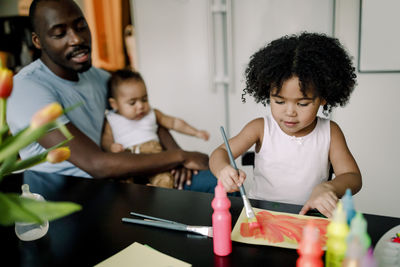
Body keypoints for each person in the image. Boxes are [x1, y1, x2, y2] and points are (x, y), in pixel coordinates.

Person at [7, 0, 217, 192]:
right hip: (64, 198)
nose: (77, 38)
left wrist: (176, 157)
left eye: (81, 26)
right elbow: (96, 164)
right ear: (38, 41)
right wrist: (180, 157)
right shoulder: (27, 89)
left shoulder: (99, 77)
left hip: (112, 182)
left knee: (219, 184)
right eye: (60, 33)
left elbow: (143, 115)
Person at [209, 32, 362, 218]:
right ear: (268, 94)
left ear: (323, 98)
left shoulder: (330, 132)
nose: (290, 112)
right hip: (260, 214)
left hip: (309, 217)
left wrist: (328, 187)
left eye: (302, 103)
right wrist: (223, 170)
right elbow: (220, 153)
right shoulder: (260, 128)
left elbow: (353, 177)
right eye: (279, 101)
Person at [102, 69, 210, 188]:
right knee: (120, 183)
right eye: (132, 103)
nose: (140, 106)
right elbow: (106, 139)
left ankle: (154, 197)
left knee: (165, 179)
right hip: (128, 160)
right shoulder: (112, 119)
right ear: (114, 104)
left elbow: (174, 123)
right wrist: (111, 147)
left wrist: (196, 132)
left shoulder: (152, 114)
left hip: (155, 159)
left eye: (144, 99)